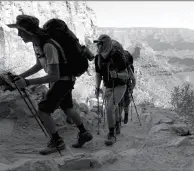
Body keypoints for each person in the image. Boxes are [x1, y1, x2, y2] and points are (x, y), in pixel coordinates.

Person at [7, 15, 93, 155]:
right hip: (66, 79)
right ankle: (84, 132)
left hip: (62, 80)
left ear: (29, 31)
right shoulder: (38, 44)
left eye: (21, 31)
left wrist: (27, 82)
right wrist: (21, 76)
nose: (18, 34)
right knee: (67, 107)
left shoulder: (48, 45)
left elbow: (54, 75)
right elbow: (39, 65)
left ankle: (57, 142)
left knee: (43, 110)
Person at [94, 34, 128, 146]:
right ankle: (117, 124)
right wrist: (97, 87)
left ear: (105, 45)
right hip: (108, 85)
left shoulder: (117, 56)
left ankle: (111, 133)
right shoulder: (98, 58)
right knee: (114, 106)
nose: (98, 46)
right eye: (98, 44)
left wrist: (117, 75)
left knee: (109, 108)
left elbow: (126, 75)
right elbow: (98, 74)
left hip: (120, 86)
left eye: (99, 43)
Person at [118, 50, 136, 124]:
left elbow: (133, 79)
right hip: (119, 86)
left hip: (126, 86)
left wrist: (131, 88)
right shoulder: (120, 66)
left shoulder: (129, 68)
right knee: (120, 102)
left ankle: (125, 114)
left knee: (126, 102)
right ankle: (119, 117)